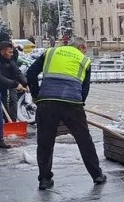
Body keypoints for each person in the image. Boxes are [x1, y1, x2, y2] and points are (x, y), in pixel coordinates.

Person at [26, 36, 106, 190]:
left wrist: (37, 96)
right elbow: (85, 89)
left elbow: (30, 73)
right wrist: (79, 103)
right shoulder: (84, 60)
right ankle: (97, 175)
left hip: (47, 102)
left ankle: (44, 179)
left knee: (45, 141)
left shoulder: (50, 52)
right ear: (81, 47)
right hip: (72, 104)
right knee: (84, 140)